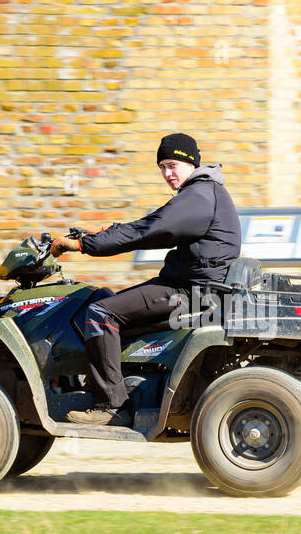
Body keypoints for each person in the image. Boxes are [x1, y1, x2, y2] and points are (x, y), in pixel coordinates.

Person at [48, 133, 242, 426]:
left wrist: (82, 245)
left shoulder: (198, 196)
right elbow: (152, 223)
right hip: (194, 284)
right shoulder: (203, 193)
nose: (167, 173)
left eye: (172, 165)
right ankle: (113, 381)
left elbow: (148, 231)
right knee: (104, 298)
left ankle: (110, 404)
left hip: (189, 290)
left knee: (100, 313)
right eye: (162, 167)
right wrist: (106, 230)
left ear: (190, 163)